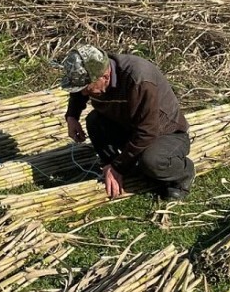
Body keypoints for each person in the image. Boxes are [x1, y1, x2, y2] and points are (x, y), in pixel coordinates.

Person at [59, 44, 195, 201]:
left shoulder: (139, 80)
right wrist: (72, 116)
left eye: (86, 88)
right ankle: (114, 168)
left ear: (105, 77)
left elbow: (147, 131)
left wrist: (119, 166)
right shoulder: (96, 71)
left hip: (164, 133)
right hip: (129, 127)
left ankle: (183, 174)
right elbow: (78, 93)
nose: (84, 93)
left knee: (151, 161)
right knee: (94, 121)